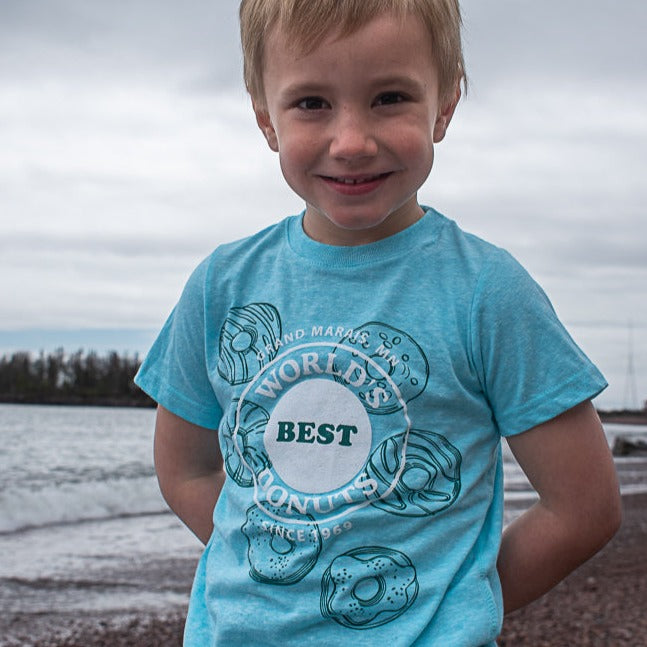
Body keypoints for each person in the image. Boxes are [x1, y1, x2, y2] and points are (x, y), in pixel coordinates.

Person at [135, 1, 622, 644]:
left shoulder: (486, 292)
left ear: (444, 105)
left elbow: (584, 508)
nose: (352, 142)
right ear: (265, 119)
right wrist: (282, 570)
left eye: (389, 97)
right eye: (311, 103)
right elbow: (186, 472)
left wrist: (448, 600)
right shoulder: (221, 286)